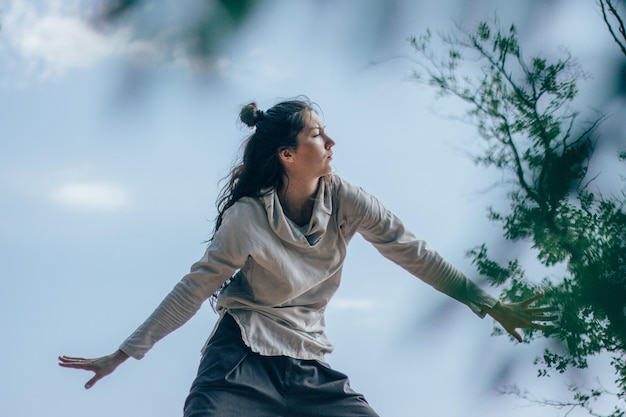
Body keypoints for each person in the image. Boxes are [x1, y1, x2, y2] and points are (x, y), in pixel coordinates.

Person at [59, 97, 555, 417]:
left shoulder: (347, 200)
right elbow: (194, 289)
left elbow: (413, 251)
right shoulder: (247, 220)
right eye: (318, 134)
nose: (331, 141)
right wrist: (124, 353)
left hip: (308, 368)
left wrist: (487, 302)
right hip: (240, 363)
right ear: (287, 154)